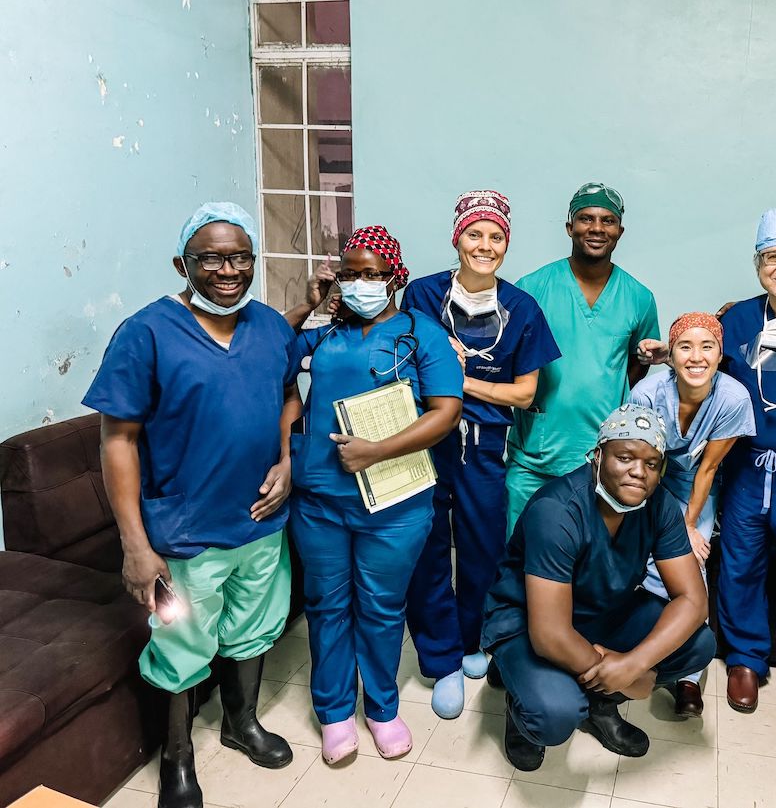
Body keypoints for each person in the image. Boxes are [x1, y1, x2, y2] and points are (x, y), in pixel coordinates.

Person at [83, 202, 299, 808]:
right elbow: (117, 440)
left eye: (240, 257)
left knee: (254, 627)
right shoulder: (145, 333)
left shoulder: (270, 327)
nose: (228, 269)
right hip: (184, 530)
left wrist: (286, 461)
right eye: (211, 258)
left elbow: (287, 397)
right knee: (181, 642)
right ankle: (177, 757)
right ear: (183, 262)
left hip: (259, 521)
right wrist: (135, 544)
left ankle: (241, 723)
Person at [638, 209, 776, 720]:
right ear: (757, 264)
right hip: (745, 465)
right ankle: (746, 658)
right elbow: (698, 360)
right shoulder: (739, 318)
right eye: (773, 256)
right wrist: (664, 354)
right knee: (742, 562)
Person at [285, 226, 464, 763]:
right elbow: (271, 359)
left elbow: (446, 412)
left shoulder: (422, 334)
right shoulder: (324, 332)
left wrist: (376, 451)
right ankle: (335, 713)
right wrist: (310, 306)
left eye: (373, 274)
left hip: (395, 503)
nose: (362, 283)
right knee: (327, 606)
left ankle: (382, 709)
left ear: (394, 277)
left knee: (383, 609)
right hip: (320, 499)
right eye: (351, 274)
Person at [481, 404, 716, 771]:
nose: (638, 471)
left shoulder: (659, 506)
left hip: (601, 612)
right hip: (530, 623)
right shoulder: (558, 510)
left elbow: (693, 600)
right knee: (555, 714)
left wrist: (634, 666)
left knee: (699, 643)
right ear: (598, 455)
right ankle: (519, 703)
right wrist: (631, 677)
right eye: (625, 457)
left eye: (652, 464)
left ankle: (600, 703)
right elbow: (550, 634)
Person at [398, 190, 560, 719]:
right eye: (474, 234)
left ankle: (471, 643)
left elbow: (524, 393)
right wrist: (446, 379)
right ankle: (441, 657)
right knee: (425, 548)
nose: (484, 245)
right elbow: (409, 370)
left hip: (484, 447)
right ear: (457, 238)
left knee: (481, 549)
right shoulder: (422, 296)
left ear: (505, 246)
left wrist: (459, 379)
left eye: (495, 237)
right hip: (425, 440)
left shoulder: (522, 309)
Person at [505, 182, 659, 534]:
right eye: (586, 219)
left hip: (602, 461)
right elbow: (511, 362)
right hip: (536, 456)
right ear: (569, 226)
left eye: (607, 221)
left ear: (620, 231)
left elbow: (637, 366)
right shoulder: (532, 288)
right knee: (520, 560)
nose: (596, 228)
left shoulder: (638, 297)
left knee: (588, 566)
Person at [628, 312, 754, 717]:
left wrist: (685, 526)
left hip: (692, 489)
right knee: (637, 561)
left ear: (719, 354)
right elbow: (639, 462)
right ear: (672, 355)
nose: (695, 357)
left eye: (707, 346)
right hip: (645, 481)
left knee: (689, 565)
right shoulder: (648, 393)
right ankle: (634, 654)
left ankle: (688, 676)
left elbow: (708, 469)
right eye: (685, 346)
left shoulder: (733, 399)